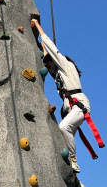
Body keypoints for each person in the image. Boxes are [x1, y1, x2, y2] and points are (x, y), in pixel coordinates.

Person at [31, 19, 90, 174]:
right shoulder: (60, 77)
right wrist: (40, 46)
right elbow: (47, 56)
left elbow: (51, 50)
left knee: (64, 127)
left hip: (79, 105)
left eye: (49, 65)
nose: (48, 69)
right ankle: (71, 171)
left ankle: (73, 159)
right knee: (63, 135)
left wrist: (37, 26)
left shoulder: (65, 65)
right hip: (72, 109)